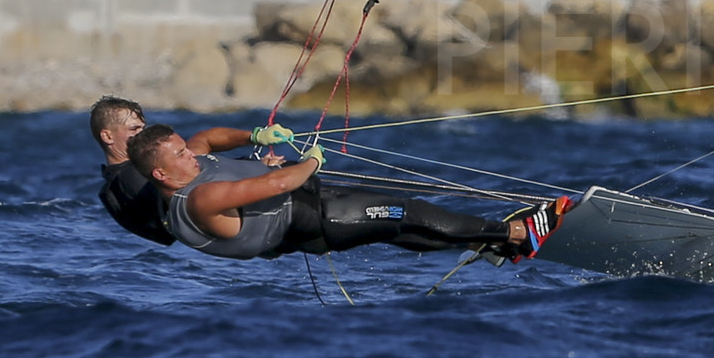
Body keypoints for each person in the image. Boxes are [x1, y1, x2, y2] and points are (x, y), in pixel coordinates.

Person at [125, 123, 568, 263]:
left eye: (185, 149)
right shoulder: (195, 200)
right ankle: (515, 235)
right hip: (316, 221)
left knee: (395, 229)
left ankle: (486, 242)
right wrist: (313, 161)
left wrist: (257, 135)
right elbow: (277, 184)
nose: (192, 156)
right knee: (406, 211)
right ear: (162, 174)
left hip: (312, 210)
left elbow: (209, 137)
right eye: (181, 156)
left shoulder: (188, 163)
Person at [89, 96, 293, 247]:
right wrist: (258, 167)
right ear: (107, 136)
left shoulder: (115, 180)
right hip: (251, 228)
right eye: (134, 129)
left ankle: (258, 138)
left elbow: (201, 143)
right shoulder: (132, 178)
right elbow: (205, 180)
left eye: (143, 127)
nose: (143, 134)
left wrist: (256, 139)